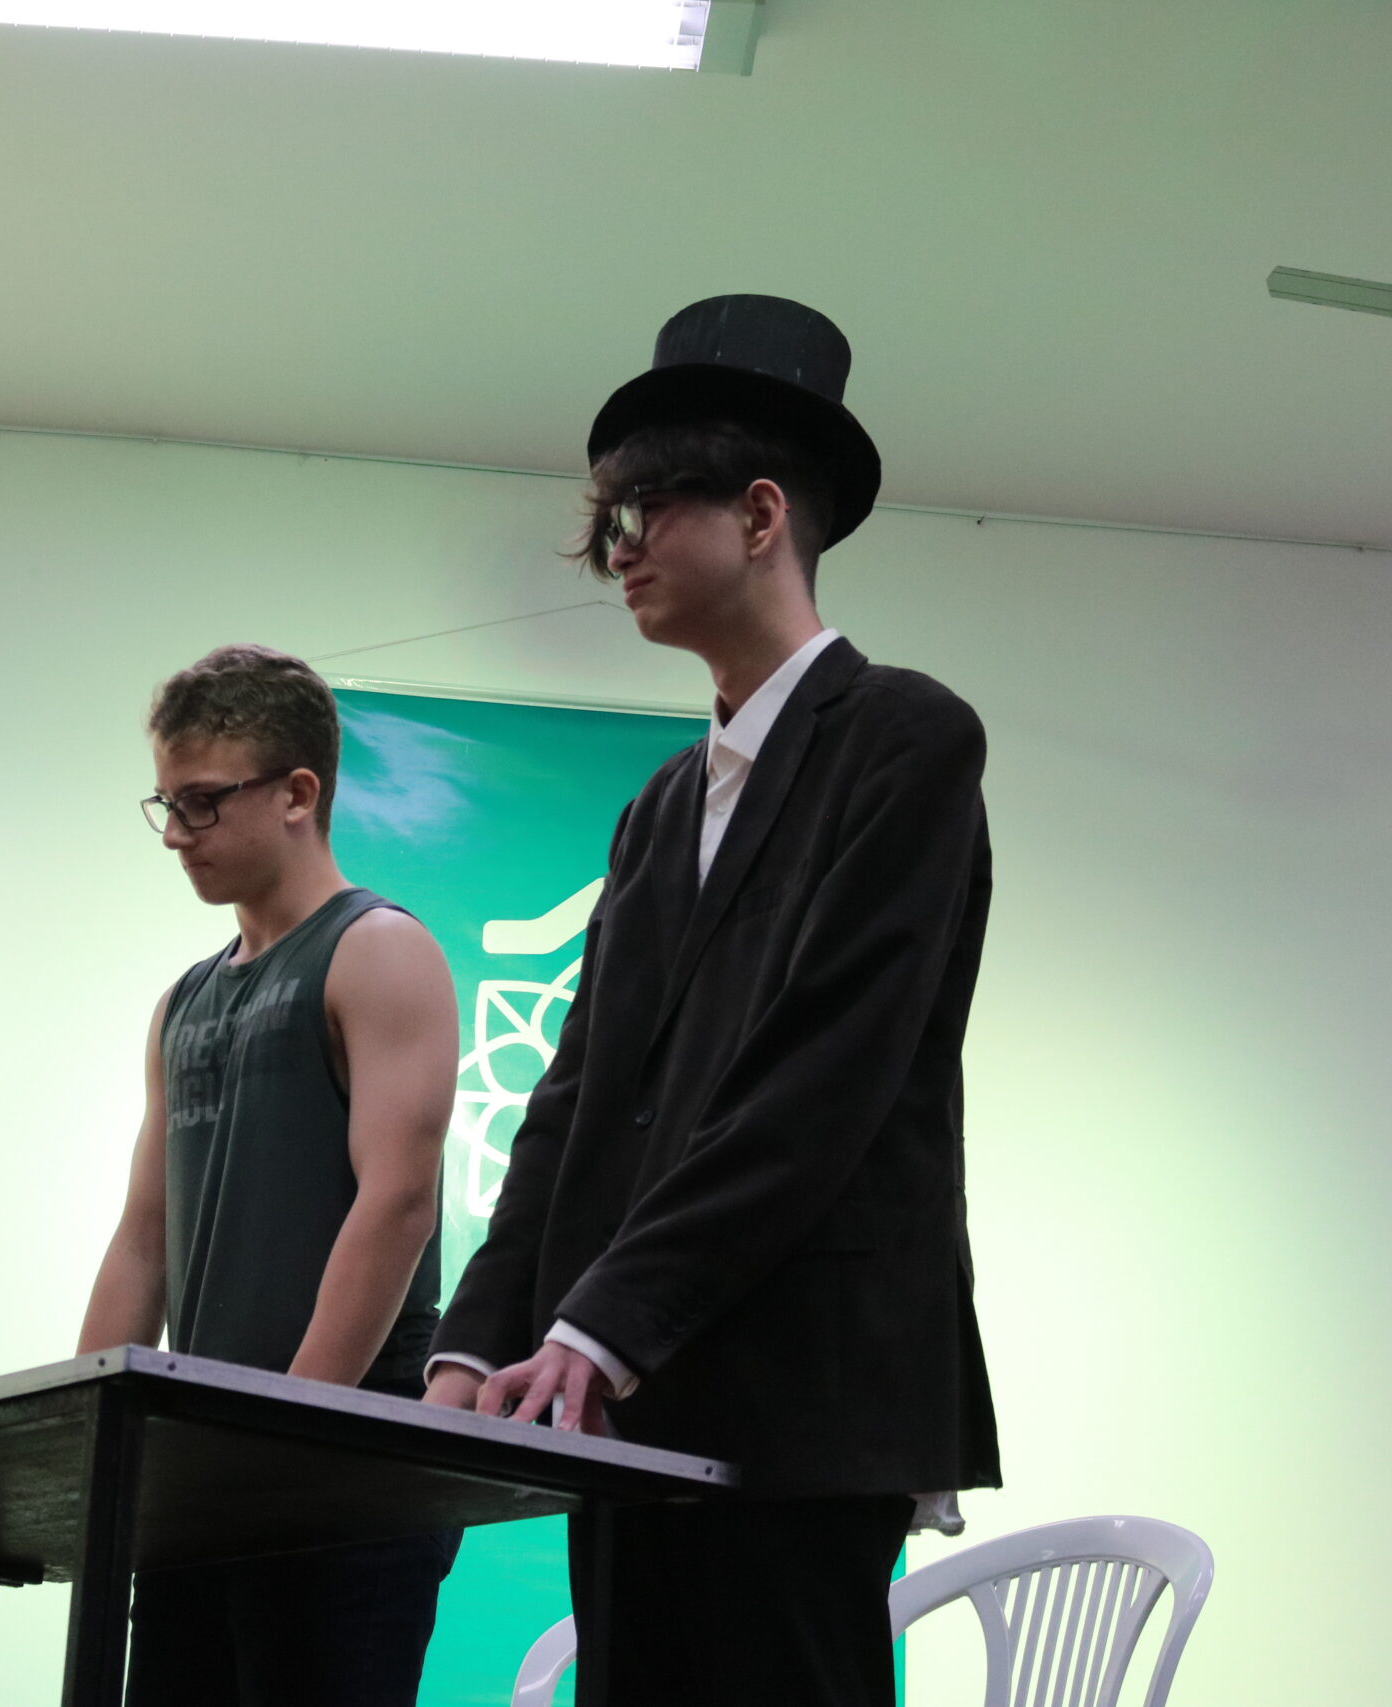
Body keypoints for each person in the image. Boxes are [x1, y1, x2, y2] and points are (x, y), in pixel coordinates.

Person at [423, 296, 1000, 1707]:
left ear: (758, 515)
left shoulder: (907, 738)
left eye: (646, 512)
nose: (618, 552)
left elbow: (825, 1071)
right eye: (610, 525)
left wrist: (598, 1323)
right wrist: (475, 1337)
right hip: (635, 1406)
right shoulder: (659, 806)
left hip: (803, 1389)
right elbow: (575, 1097)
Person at [77, 643, 462, 1707]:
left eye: (203, 802)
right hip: (204, 1479)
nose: (176, 834)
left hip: (345, 1472)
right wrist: (89, 1442)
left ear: (297, 793)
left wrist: (289, 1434)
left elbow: (397, 1202)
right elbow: (143, 1235)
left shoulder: (379, 951)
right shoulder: (183, 1002)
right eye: (166, 804)